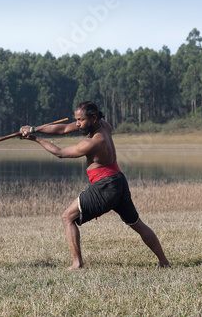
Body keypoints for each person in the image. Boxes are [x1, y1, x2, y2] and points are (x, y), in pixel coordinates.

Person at [20, 101, 170, 270]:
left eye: (80, 120)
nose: (77, 124)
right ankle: (164, 262)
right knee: (137, 224)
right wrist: (34, 128)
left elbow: (60, 153)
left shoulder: (92, 143)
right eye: (76, 119)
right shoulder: (103, 125)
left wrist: (35, 139)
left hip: (105, 186)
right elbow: (63, 129)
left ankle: (77, 264)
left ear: (92, 118)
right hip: (118, 181)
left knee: (67, 218)